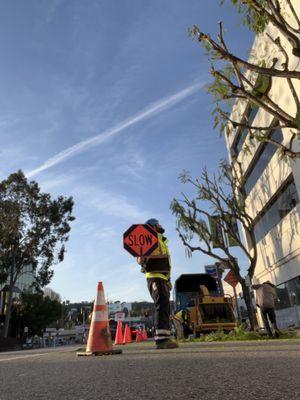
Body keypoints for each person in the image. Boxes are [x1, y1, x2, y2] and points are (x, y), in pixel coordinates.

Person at [137, 218, 178, 349]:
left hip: (163, 278)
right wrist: (141, 258)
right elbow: (139, 256)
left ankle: (165, 337)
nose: (160, 224)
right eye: (158, 222)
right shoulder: (148, 238)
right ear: (153, 226)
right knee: (161, 303)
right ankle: (161, 340)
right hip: (154, 276)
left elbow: (167, 264)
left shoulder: (162, 241)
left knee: (165, 305)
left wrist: (168, 280)